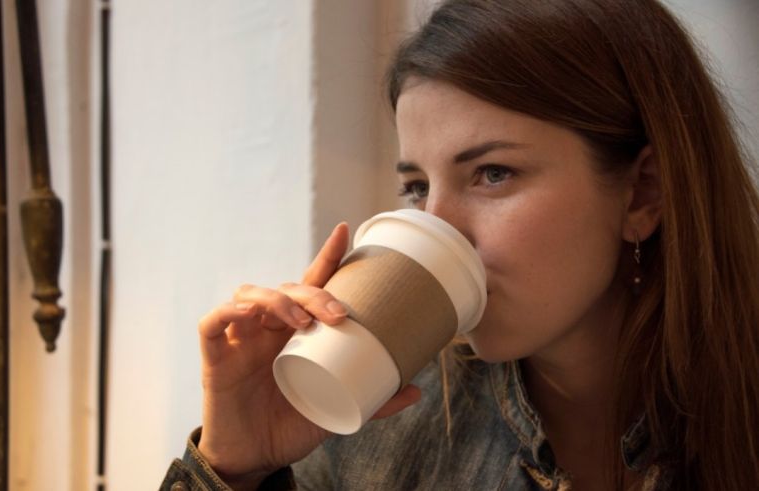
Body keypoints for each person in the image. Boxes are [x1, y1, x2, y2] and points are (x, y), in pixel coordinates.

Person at [160, 0, 759, 489]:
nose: (438, 229)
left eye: (493, 173)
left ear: (641, 195)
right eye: (417, 187)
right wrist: (235, 467)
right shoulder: (375, 420)